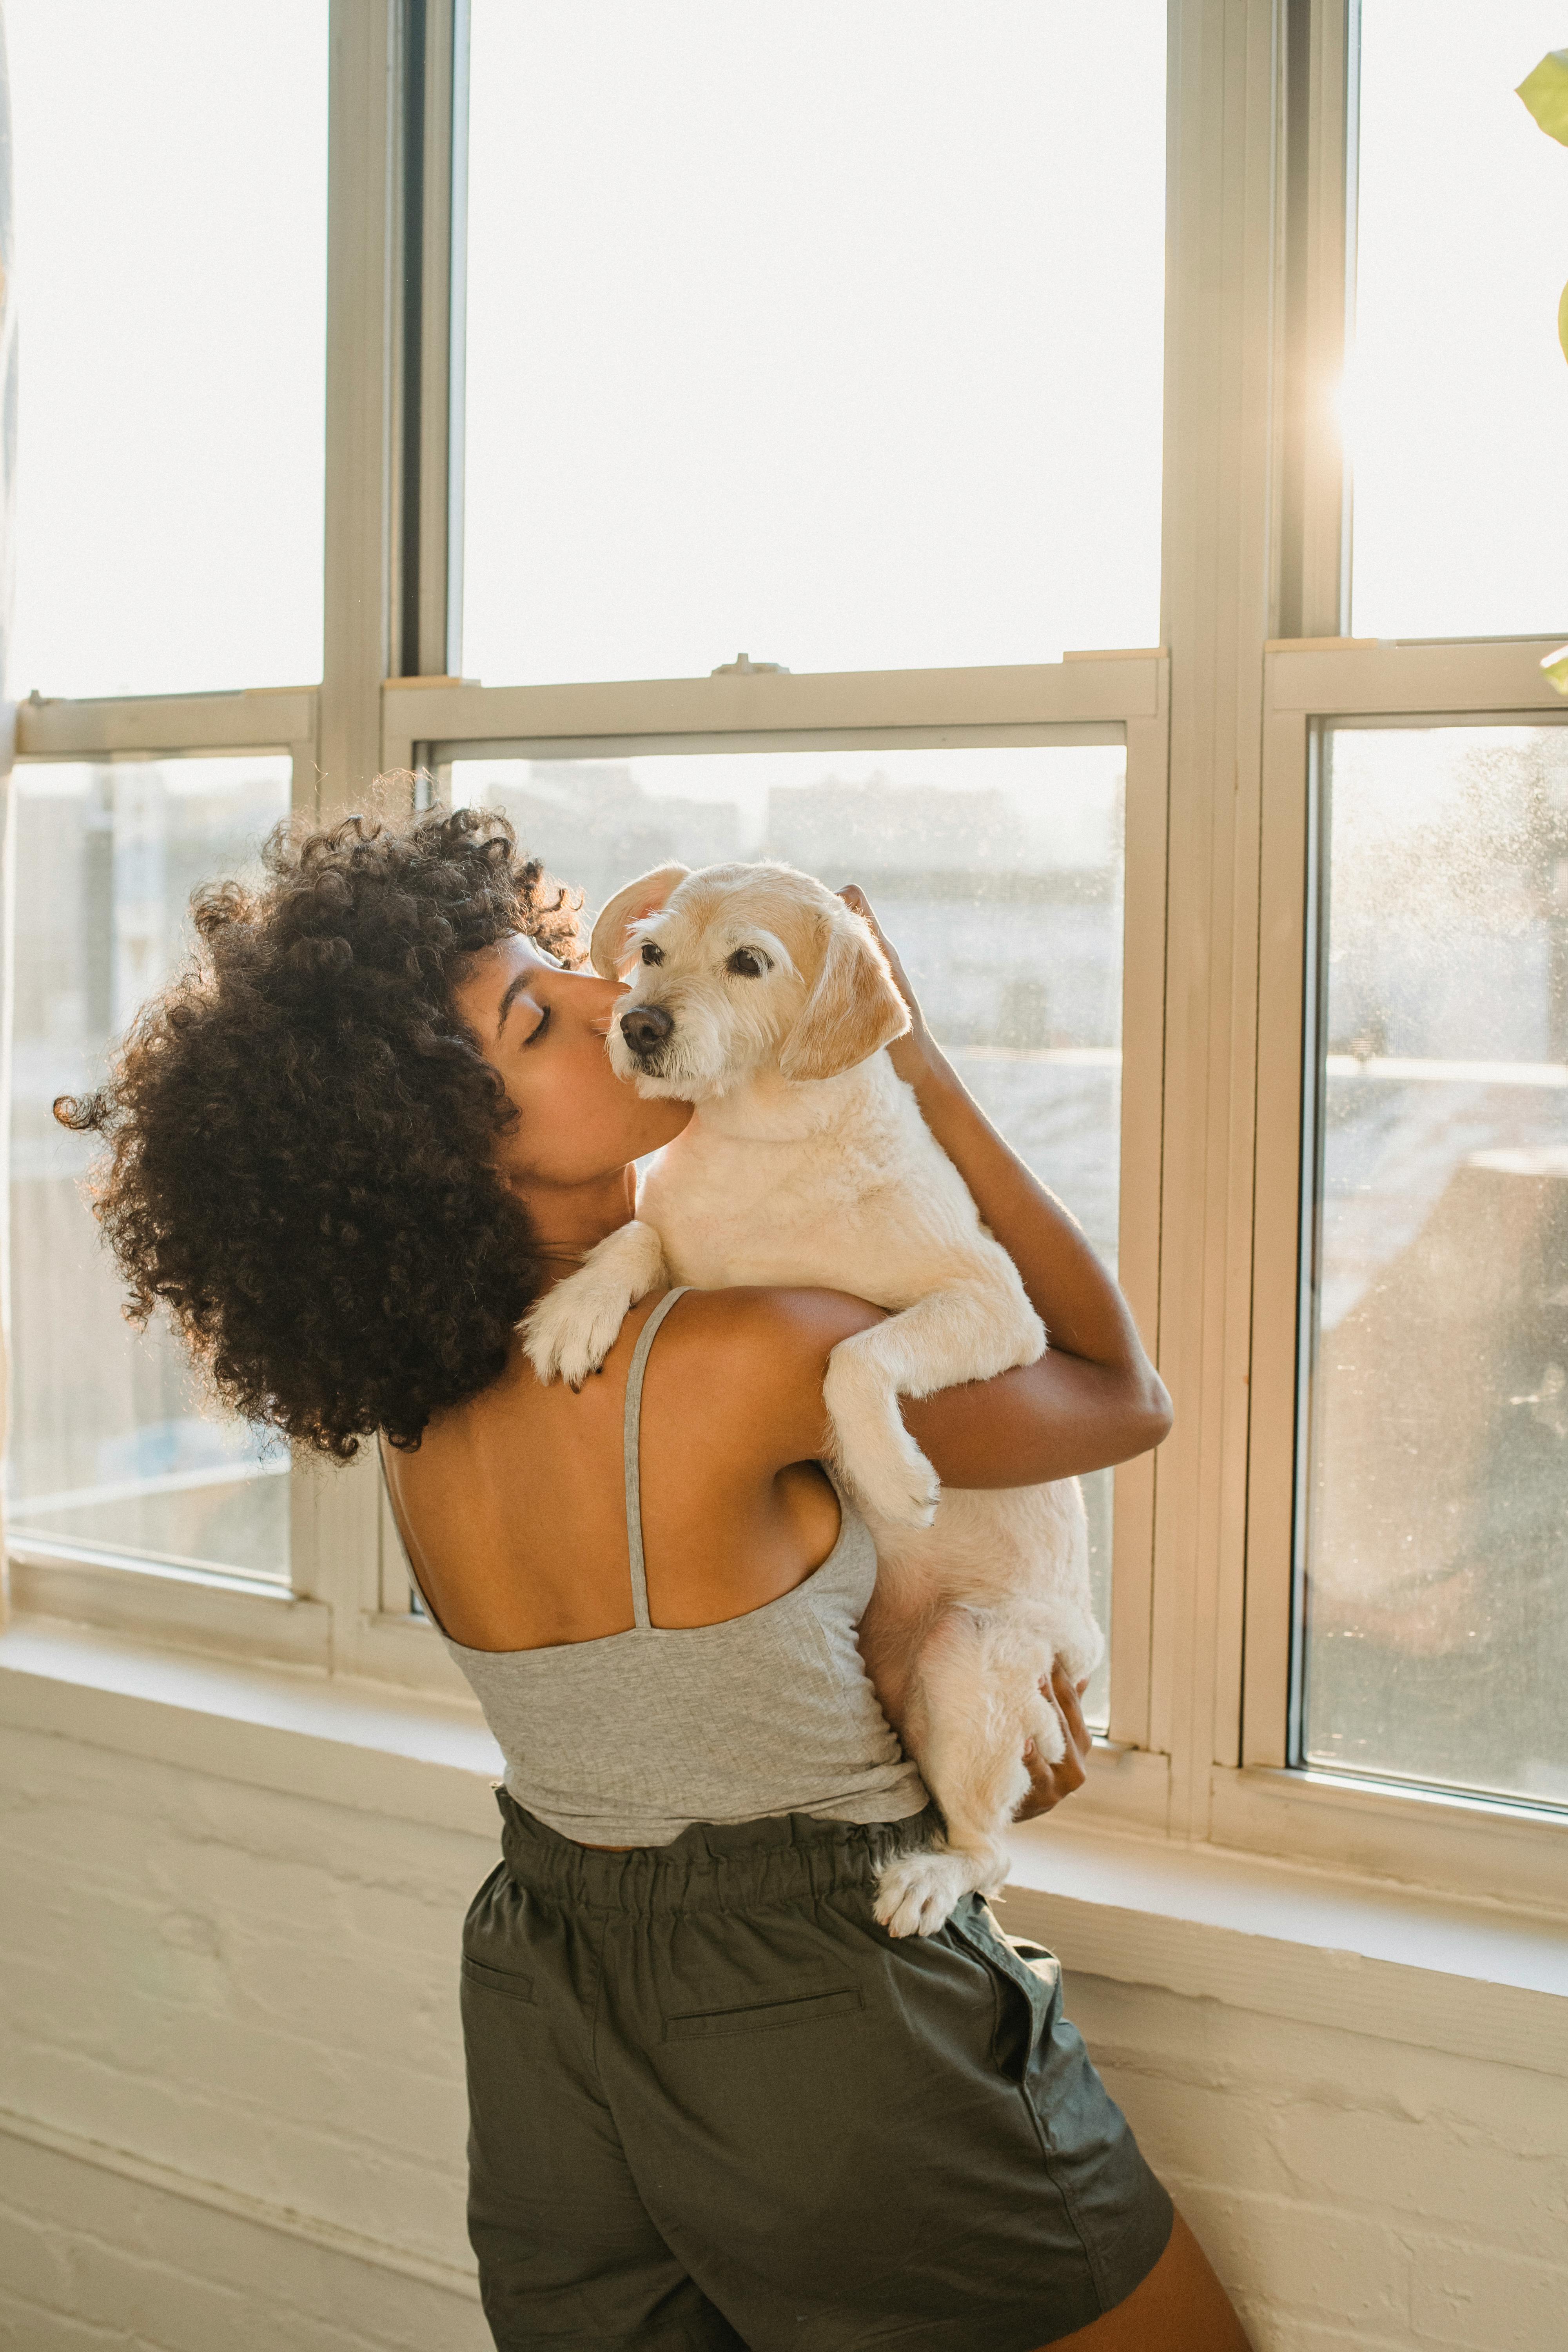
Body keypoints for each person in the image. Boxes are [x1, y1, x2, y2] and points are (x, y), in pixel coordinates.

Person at [63, 806, 1250, 2352]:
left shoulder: (432, 1400)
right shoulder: (747, 1359)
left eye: (556, 966)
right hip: (813, 2020)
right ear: (446, 1149)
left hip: (546, 2005)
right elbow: (1115, 1392)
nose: (594, 1001)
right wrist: (910, 1064)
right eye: (528, 1016)